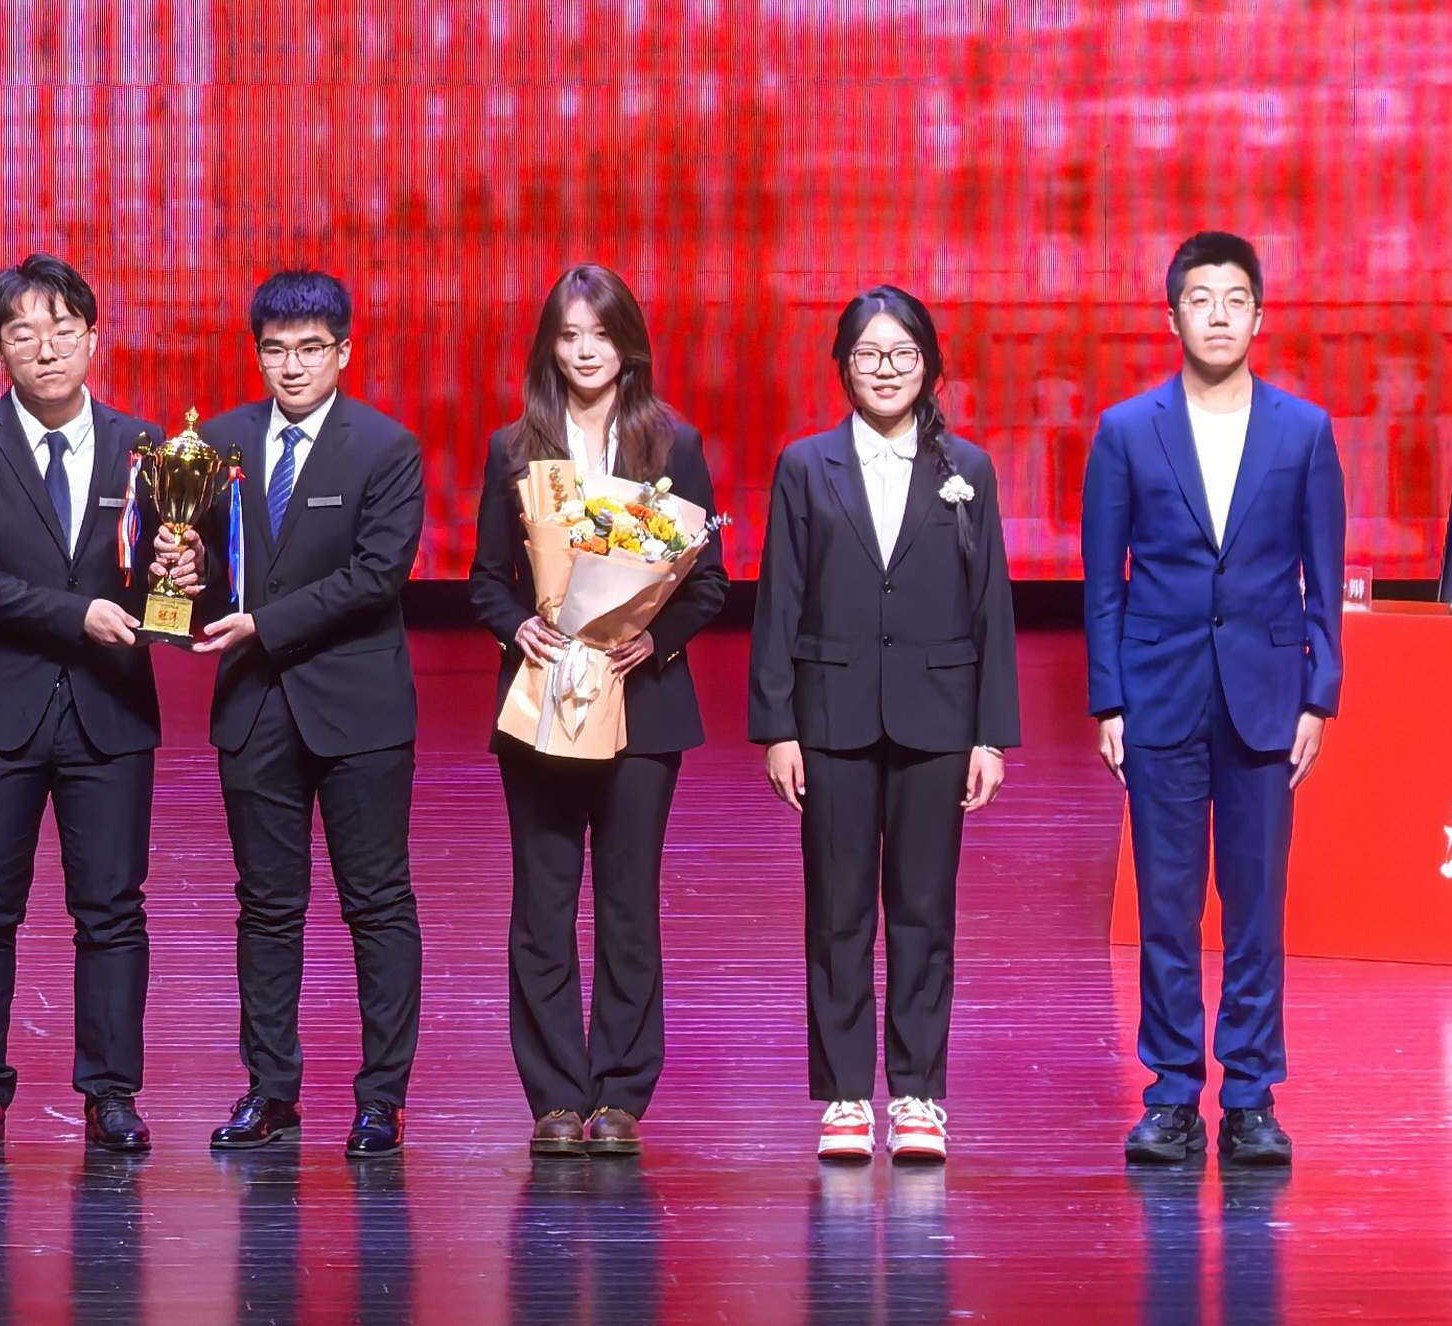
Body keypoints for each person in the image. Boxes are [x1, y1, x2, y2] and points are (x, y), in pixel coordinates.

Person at [1084, 229, 1344, 1172]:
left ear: (1259, 317)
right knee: (1165, 905)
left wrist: (1317, 695)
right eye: (1200, 300)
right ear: (1172, 317)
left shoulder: (1302, 430)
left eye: (1235, 300)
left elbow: (1322, 573)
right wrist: (1108, 701)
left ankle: (1249, 1097)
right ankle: (1168, 1095)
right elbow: (1102, 581)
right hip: (1157, 695)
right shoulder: (1126, 429)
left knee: (1255, 907)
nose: (1218, 316)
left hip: (1265, 698)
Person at [747, 286, 1020, 1169]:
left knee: (922, 912)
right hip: (829, 716)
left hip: (937, 719)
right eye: (867, 354)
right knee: (835, 914)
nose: (885, 369)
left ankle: (916, 1093)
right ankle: (842, 1095)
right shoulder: (805, 465)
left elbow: (990, 606)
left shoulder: (966, 468)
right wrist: (776, 726)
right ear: (843, 366)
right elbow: (779, 599)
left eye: (902, 354)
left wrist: (989, 735)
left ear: (928, 365)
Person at [466, 262, 727, 1159]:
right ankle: (552, 1098)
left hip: (640, 705)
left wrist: (651, 640)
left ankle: (619, 1094)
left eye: (601, 335)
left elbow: (707, 582)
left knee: (626, 902)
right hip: (541, 701)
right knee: (542, 905)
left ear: (628, 346)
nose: (585, 352)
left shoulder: (671, 444)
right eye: (569, 335)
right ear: (549, 346)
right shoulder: (513, 448)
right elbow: (485, 581)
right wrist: (517, 629)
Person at [0, 253, 161, 1156]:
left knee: (112, 910)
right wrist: (77, 614)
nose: (46, 348)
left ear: (93, 338)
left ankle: (111, 1093)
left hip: (111, 709)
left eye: (63, 330)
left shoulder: (147, 448)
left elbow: (165, 577)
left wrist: (182, 580)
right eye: (23, 333)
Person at [190, 267, 427, 1160]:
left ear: (343, 351)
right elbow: (204, 568)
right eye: (275, 350)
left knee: (376, 904)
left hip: (358, 709)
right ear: (257, 354)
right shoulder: (216, 443)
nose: (291, 366)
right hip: (254, 707)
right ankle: (269, 1090)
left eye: (310, 349)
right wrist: (182, 577)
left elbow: (377, 574)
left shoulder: (385, 447)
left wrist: (264, 622)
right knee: (265, 907)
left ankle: (380, 1099)